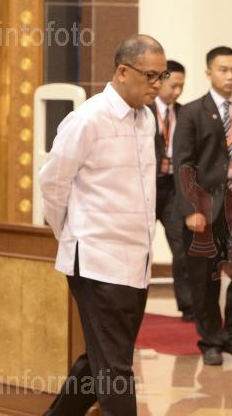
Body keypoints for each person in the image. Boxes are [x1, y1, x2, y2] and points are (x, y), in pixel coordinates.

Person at [39, 35, 167, 415]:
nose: (157, 85)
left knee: (105, 358)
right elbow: (53, 182)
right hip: (97, 260)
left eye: (162, 76)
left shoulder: (147, 118)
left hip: (136, 260)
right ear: (123, 71)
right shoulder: (89, 118)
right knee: (116, 371)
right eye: (150, 75)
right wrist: (69, 234)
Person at [173, 46, 232, 366]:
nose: (230, 76)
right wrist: (191, 209)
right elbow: (183, 164)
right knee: (204, 276)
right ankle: (211, 340)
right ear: (209, 73)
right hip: (204, 205)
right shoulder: (191, 112)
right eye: (223, 70)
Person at [147, 59, 194, 321]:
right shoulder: (143, 110)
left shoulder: (185, 113)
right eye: (173, 85)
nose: (177, 91)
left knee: (182, 245)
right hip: (147, 186)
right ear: (161, 81)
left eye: (181, 87)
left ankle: (188, 306)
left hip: (174, 187)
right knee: (141, 245)